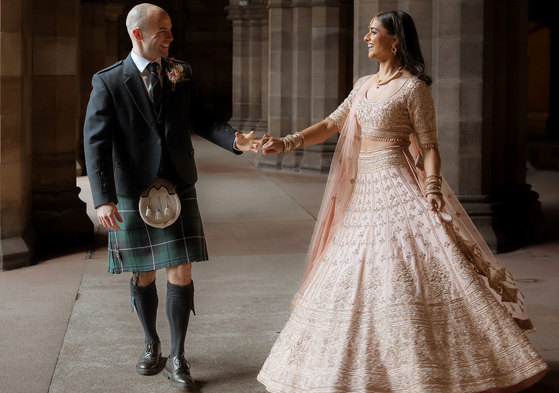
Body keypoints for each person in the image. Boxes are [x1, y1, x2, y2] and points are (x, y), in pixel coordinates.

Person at [257, 10, 548, 393]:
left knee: (412, 266)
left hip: (398, 183)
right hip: (365, 192)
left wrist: (431, 187)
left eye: (373, 32)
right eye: (367, 31)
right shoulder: (363, 85)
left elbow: (429, 147)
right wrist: (287, 142)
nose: (366, 37)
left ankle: (435, 365)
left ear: (395, 40)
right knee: (355, 269)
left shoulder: (413, 89)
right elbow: (331, 124)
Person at [83, 3, 257, 391]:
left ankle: (177, 356)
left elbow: (203, 119)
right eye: (163, 31)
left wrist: (235, 141)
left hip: (178, 184)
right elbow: (95, 143)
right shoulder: (109, 81)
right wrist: (102, 198)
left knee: (181, 270)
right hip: (132, 189)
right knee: (143, 273)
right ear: (137, 34)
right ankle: (151, 343)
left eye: (171, 29)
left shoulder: (181, 73)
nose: (171, 37)